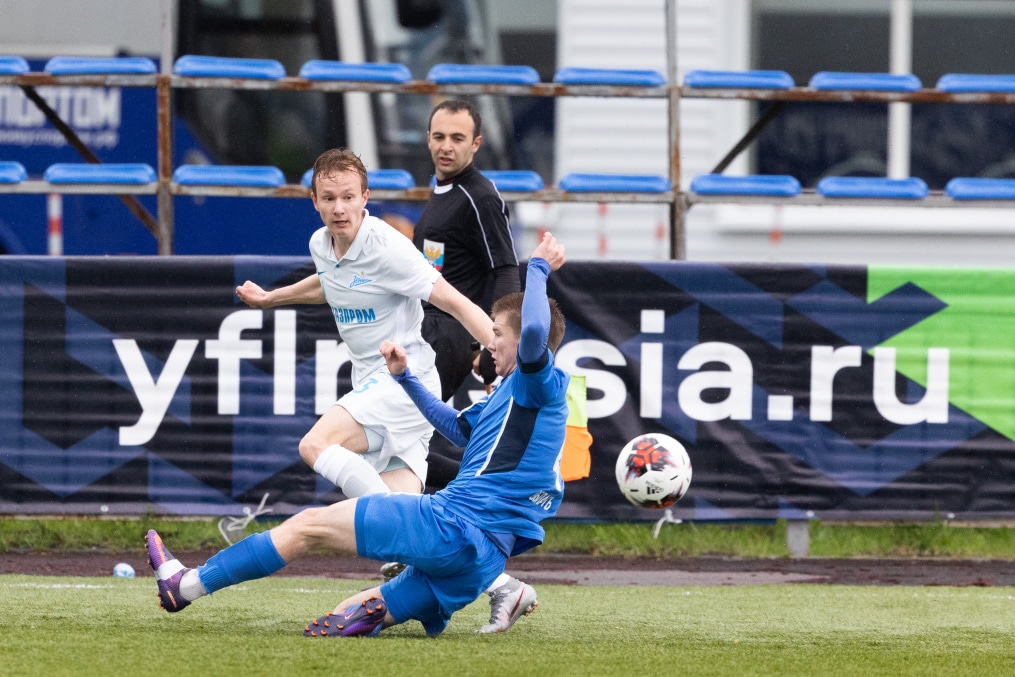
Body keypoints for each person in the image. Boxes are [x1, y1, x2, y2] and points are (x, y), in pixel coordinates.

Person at [146, 232, 568, 639]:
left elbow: (532, 332)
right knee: (348, 616)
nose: (488, 344)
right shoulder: (513, 395)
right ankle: (458, 593)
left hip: (454, 525)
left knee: (309, 525)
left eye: (497, 334)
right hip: (482, 557)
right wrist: (406, 380)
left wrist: (537, 267)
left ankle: (185, 585)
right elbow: (455, 426)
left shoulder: (538, 380)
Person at [234, 147, 534, 632]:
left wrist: (502, 356)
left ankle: (416, 553)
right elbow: (328, 282)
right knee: (397, 505)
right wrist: (273, 297)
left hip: (403, 378)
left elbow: (455, 302)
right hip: (372, 380)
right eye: (329, 198)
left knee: (317, 445)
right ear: (313, 200)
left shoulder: (389, 247)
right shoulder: (321, 243)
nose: (339, 208)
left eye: (348, 197)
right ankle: (502, 585)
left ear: (365, 198)